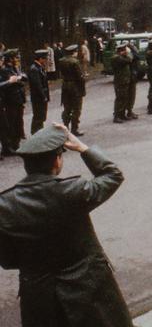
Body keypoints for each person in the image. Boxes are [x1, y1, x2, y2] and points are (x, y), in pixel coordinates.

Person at [0, 124, 132, 326]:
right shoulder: (73, 190)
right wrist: (82, 148)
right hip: (89, 288)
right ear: (57, 160)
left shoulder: (5, 204)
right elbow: (113, 175)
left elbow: (7, 259)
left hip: (40, 295)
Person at [1, 50, 28, 149]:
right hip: (11, 100)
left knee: (19, 121)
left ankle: (17, 142)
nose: (17, 59)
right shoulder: (5, 70)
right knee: (12, 122)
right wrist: (16, 80)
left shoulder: (15, 68)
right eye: (16, 57)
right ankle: (12, 144)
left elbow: (24, 77)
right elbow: (10, 84)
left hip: (19, 98)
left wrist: (19, 78)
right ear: (10, 59)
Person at [59, 44, 86, 135]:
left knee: (67, 108)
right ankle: (74, 129)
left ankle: (65, 127)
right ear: (74, 52)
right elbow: (80, 77)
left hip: (65, 86)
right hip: (75, 87)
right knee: (76, 109)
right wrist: (83, 87)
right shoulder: (75, 62)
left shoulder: (61, 61)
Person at [28, 50, 50, 134]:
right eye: (45, 58)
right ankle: (35, 133)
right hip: (38, 98)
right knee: (38, 116)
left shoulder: (39, 67)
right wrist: (43, 96)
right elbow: (37, 85)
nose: (46, 60)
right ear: (40, 59)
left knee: (41, 116)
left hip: (41, 96)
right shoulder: (34, 69)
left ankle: (39, 132)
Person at [111, 42, 133, 123]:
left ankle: (122, 114)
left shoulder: (120, 57)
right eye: (125, 50)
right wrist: (129, 53)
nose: (126, 51)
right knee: (120, 99)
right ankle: (117, 116)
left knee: (124, 98)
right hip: (120, 81)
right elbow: (129, 60)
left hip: (124, 80)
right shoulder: (116, 58)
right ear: (121, 50)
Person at [126, 42, 140, 120]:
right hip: (130, 76)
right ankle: (128, 111)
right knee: (130, 95)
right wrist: (133, 50)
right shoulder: (130, 55)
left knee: (132, 95)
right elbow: (137, 57)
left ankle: (130, 111)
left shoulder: (131, 54)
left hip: (133, 76)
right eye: (133, 46)